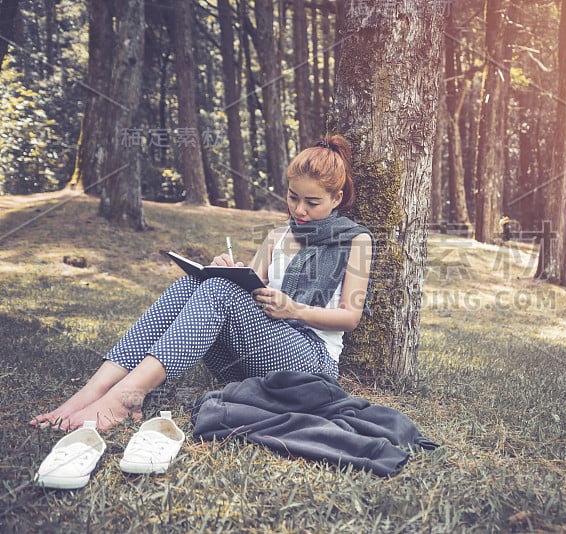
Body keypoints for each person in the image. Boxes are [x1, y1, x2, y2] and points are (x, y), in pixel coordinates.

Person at [30, 135, 373, 432]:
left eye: (312, 202)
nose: (299, 209)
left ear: (336, 198)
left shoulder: (356, 241)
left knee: (219, 292)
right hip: (252, 355)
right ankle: (92, 392)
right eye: (292, 196)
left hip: (310, 361)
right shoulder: (276, 236)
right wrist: (227, 269)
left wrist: (293, 309)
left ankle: (125, 399)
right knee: (190, 286)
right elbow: (248, 289)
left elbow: (350, 316)